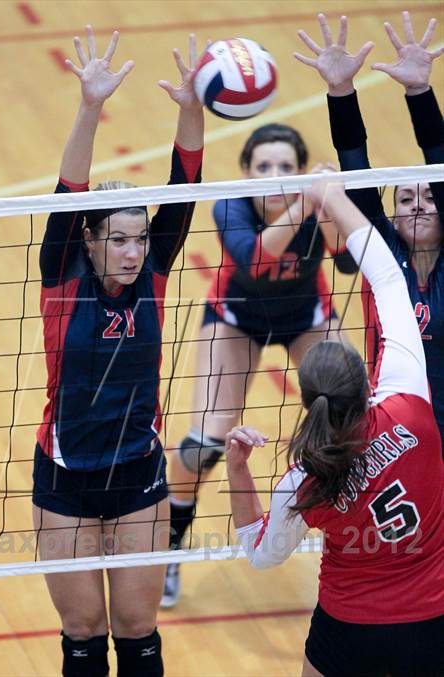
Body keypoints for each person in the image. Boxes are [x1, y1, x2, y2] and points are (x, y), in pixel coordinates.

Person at [32, 26, 203, 677]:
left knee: (136, 630)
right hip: (65, 476)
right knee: (82, 631)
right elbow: (67, 195)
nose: (134, 252)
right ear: (92, 240)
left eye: (140, 239)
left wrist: (191, 106)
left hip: (137, 475)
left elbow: (185, 180)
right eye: (120, 240)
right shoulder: (63, 277)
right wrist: (90, 106)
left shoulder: (154, 274)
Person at [226, 176, 444, 677]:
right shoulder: (411, 404)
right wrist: (333, 195)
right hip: (432, 621)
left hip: (348, 631)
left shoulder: (308, 477)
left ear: (307, 402)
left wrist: (239, 470)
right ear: (367, 379)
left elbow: (260, 554)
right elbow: (390, 279)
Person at [162, 123, 358, 607]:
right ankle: (166, 543)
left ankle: (360, 540)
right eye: (264, 167)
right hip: (237, 319)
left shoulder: (315, 205)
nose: (274, 176)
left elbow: (349, 264)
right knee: (202, 445)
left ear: (300, 171)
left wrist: (332, 204)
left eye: (287, 167)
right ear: (247, 172)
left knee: (360, 420)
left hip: (306, 316)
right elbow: (254, 258)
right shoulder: (230, 205)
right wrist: (308, 202)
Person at [295, 11, 444, 454]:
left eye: (430, 197)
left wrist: (419, 92)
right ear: (392, 216)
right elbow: (355, 167)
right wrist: (340, 91)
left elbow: (440, 161)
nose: (417, 204)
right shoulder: (381, 252)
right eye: (404, 199)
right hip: (394, 432)